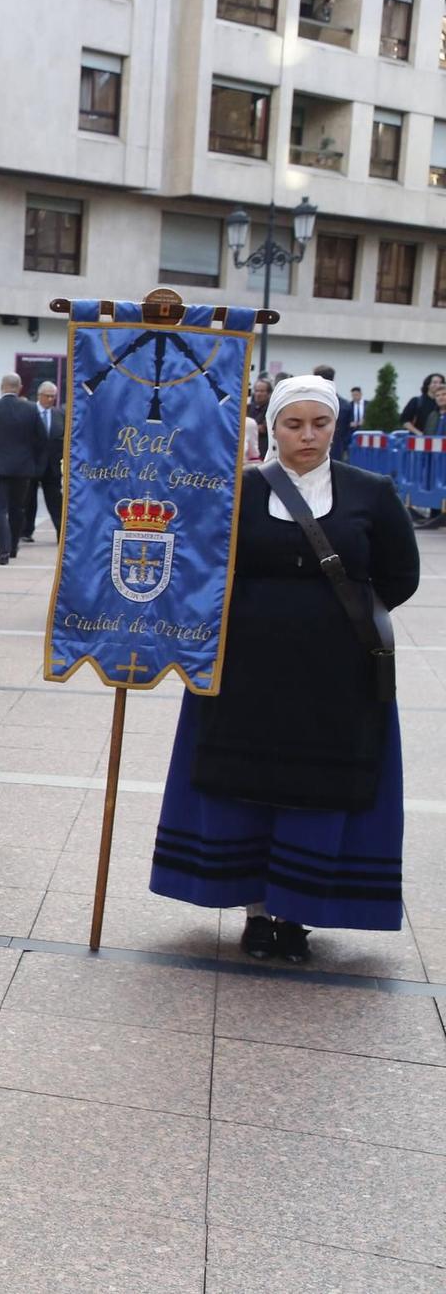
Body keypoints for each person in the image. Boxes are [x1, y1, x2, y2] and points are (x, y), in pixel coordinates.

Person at [150, 376, 420, 963]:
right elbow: (199, 562)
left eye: (319, 424)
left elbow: (401, 575)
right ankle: (256, 914)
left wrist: (325, 624)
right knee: (247, 786)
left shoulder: (371, 492)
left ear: (336, 426)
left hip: (336, 678)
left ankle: (296, 915)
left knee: (316, 788)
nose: (307, 436)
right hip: (246, 672)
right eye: (293, 424)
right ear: (272, 427)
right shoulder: (238, 491)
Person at [0, 373, 45, 565]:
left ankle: (3, 551)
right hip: (23, 468)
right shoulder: (31, 409)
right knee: (18, 508)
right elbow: (41, 438)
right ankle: (14, 546)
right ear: (20, 387)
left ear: (2, 386)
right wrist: (34, 461)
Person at [25, 380, 64, 541]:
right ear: (39, 395)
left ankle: (61, 533)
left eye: (53, 397)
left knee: (56, 502)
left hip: (52, 466)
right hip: (32, 464)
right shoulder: (29, 413)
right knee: (28, 501)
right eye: (47, 396)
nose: (50, 399)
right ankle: (26, 532)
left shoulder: (59, 415)